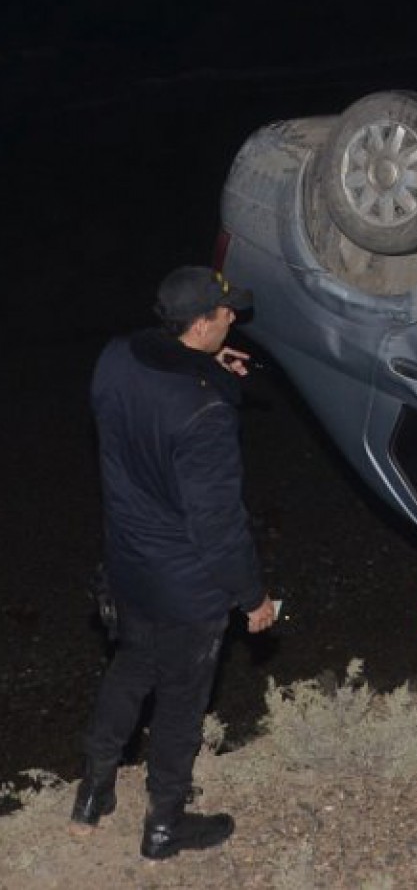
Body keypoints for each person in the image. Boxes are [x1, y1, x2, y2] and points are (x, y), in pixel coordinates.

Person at [72, 265, 278, 860]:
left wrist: (206, 373)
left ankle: (93, 791)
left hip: (127, 565)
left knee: (132, 667)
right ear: (200, 323)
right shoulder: (205, 415)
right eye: (224, 312)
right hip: (186, 589)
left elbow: (149, 402)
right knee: (182, 704)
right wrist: (253, 598)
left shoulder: (115, 358)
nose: (232, 318)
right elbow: (218, 526)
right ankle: (165, 825)